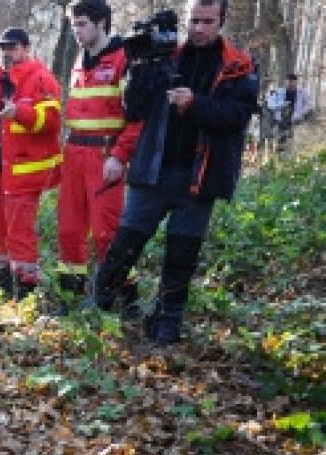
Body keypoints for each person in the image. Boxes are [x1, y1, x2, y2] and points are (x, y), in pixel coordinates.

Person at [90, 0, 257, 345]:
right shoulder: (168, 56)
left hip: (200, 176)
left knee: (182, 253)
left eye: (207, 21)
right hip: (153, 170)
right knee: (126, 243)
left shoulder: (238, 66)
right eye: (194, 20)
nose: (199, 28)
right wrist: (139, 68)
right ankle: (99, 305)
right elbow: (134, 109)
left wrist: (195, 104)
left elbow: (237, 117)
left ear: (221, 21)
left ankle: (168, 322)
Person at [54, 0, 142, 314]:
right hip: (74, 153)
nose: (76, 31)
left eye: (82, 24)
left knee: (108, 230)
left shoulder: (123, 59)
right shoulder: (81, 59)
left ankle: (124, 298)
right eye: (74, 24)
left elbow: (136, 118)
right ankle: (71, 297)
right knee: (69, 229)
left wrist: (119, 156)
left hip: (104, 155)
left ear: (102, 22)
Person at [0, 27, 64, 300]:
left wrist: (20, 113)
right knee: (0, 226)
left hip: (24, 171)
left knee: (19, 231)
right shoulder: (3, 80)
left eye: (12, 47)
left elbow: (51, 122)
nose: (7, 53)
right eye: (3, 48)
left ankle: (25, 292)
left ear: (26, 48)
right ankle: (3, 287)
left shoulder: (41, 79)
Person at [269, 73, 311, 152]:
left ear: (296, 82)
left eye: (293, 82)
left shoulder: (303, 92)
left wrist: (301, 113)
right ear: (286, 82)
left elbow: (308, 104)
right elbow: (270, 103)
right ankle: (280, 154)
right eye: (289, 81)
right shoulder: (278, 91)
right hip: (281, 120)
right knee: (281, 138)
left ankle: (291, 154)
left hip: (296, 119)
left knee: (293, 138)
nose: (291, 83)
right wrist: (281, 105)